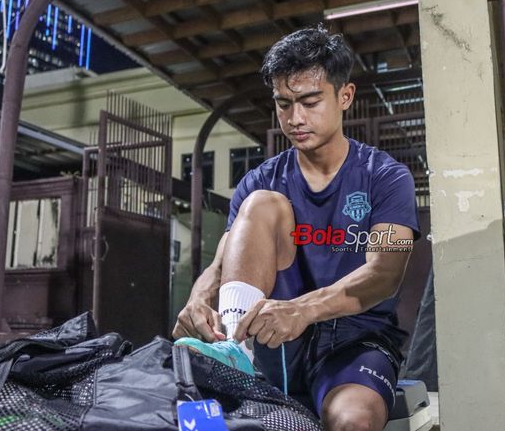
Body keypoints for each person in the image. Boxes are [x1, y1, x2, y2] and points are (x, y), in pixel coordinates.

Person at [173, 24, 420, 431]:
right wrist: (199, 298)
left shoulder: (385, 176)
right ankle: (236, 352)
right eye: (283, 104)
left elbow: (384, 273)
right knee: (261, 204)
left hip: (354, 343)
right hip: (271, 345)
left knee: (353, 420)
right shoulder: (261, 181)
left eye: (309, 101)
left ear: (345, 96)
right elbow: (221, 263)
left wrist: (302, 310)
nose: (295, 117)